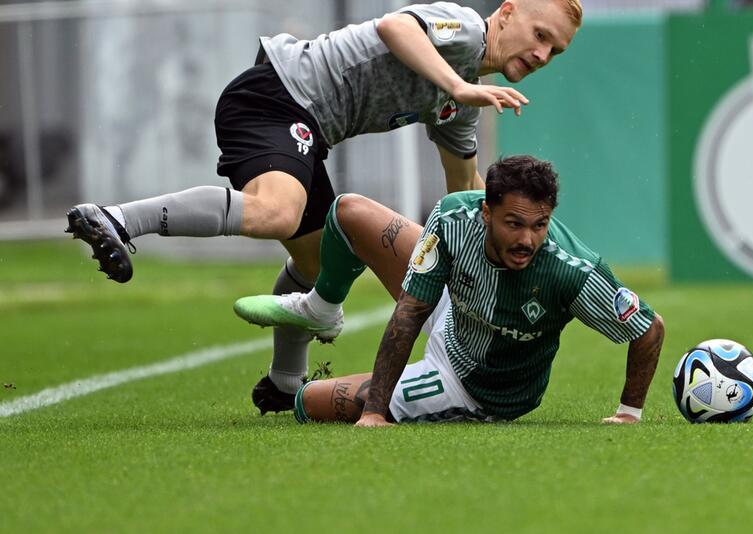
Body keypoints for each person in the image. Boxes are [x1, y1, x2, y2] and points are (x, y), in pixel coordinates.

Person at [64, 1, 583, 412]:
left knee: (318, 267)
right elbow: (395, 27)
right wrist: (456, 84)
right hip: (277, 97)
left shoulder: (462, 104)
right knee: (277, 213)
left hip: (307, 128)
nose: (541, 55)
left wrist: (506, 242)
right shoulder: (467, 31)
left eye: (555, 52)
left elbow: (464, 194)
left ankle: (283, 384)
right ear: (509, 10)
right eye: (540, 36)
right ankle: (115, 220)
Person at [235, 155, 665, 425]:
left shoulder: (572, 272)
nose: (526, 240)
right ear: (485, 212)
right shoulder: (452, 219)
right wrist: (373, 413)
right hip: (456, 312)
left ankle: (291, 387)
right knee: (349, 210)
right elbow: (410, 310)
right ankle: (323, 308)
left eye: (539, 225)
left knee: (309, 403)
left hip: (472, 385)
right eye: (513, 223)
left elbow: (649, 329)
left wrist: (629, 413)